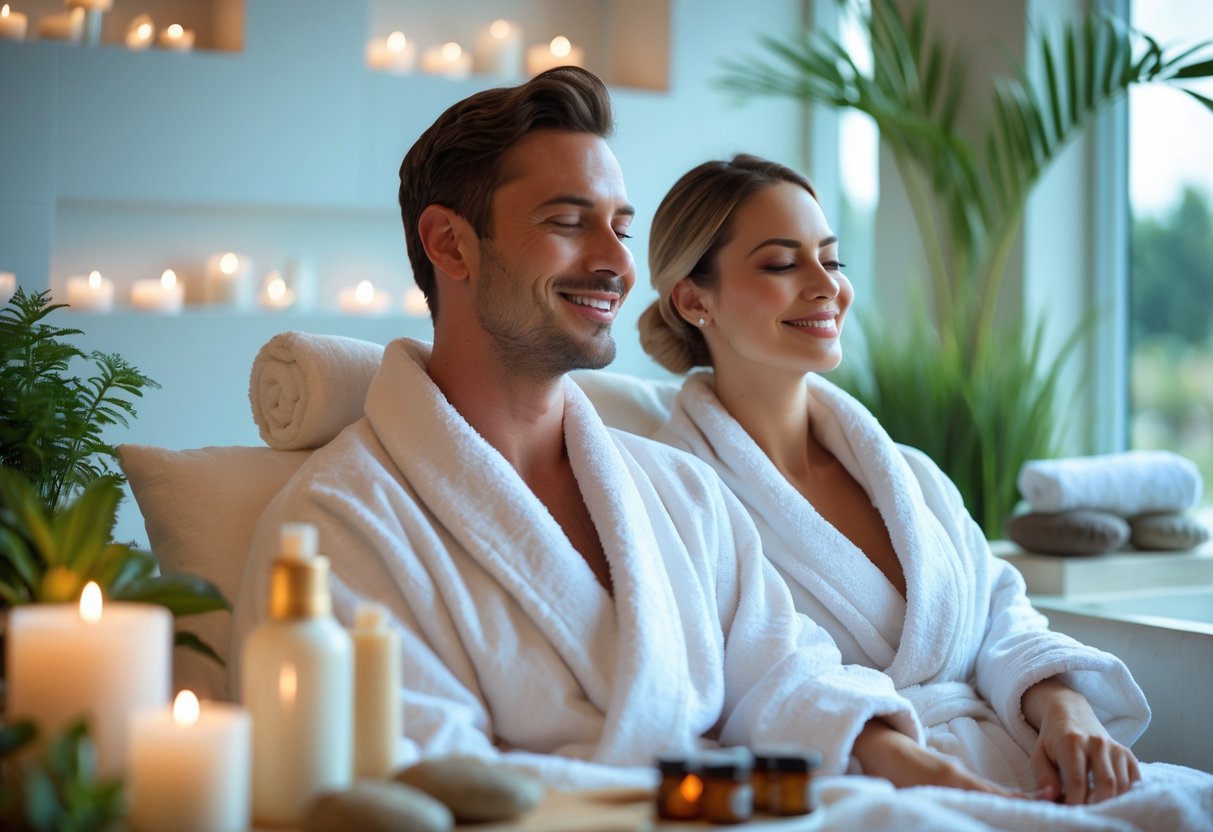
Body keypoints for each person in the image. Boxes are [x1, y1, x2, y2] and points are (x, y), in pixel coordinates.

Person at [229, 70, 927, 790]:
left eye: (621, 228)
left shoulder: (679, 492)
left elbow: (787, 674)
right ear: (450, 244)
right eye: (568, 223)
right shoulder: (338, 529)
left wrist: (925, 769)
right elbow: (430, 789)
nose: (618, 263)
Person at [637, 154, 1213, 812]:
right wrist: (934, 777)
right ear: (693, 298)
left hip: (1025, 760)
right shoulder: (676, 492)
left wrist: (1067, 711)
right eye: (781, 264)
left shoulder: (908, 474)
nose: (827, 286)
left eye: (832, 259)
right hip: (866, 789)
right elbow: (761, 677)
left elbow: (1001, 614)